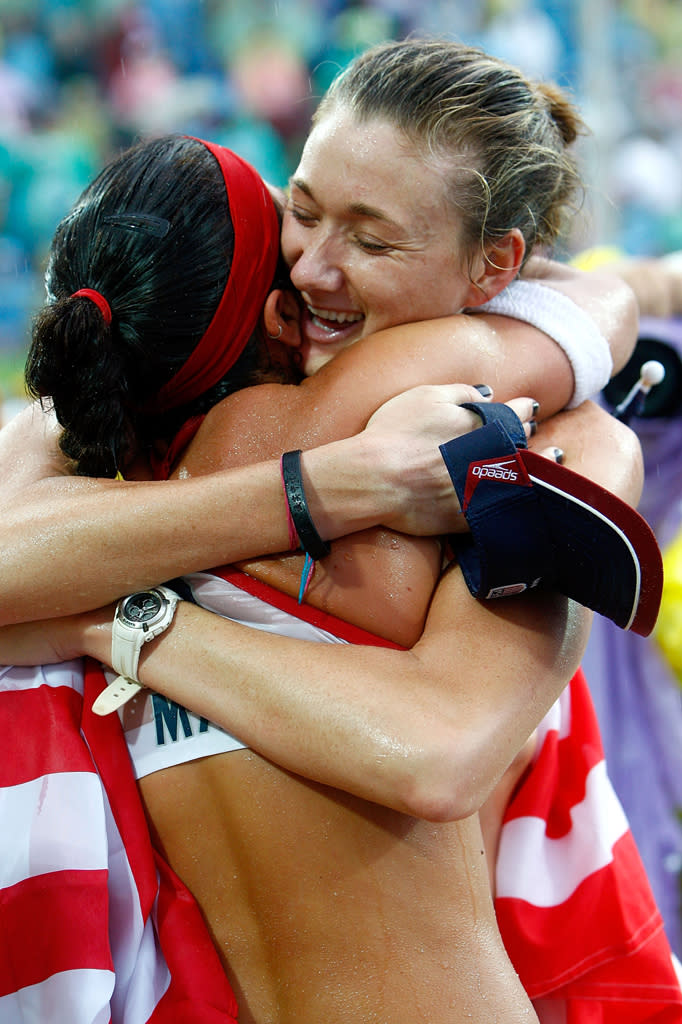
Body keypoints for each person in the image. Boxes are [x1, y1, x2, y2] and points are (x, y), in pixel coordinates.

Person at [0, 40, 679, 1022]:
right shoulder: (515, 440)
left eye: (371, 236)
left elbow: (437, 750)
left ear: (497, 267)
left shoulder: (81, 484)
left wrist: (113, 625)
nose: (315, 265)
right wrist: (321, 487)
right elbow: (574, 319)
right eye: (303, 210)